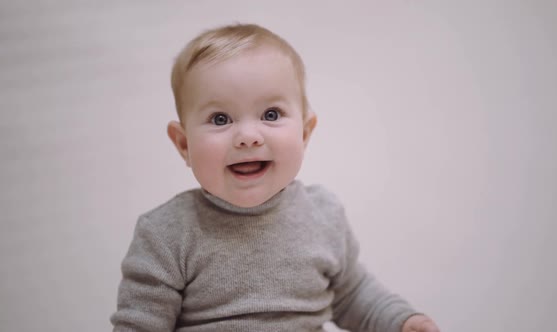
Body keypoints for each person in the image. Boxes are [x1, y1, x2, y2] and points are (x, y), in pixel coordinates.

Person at [111, 23, 440, 332]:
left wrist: (400, 320)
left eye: (271, 114)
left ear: (305, 133)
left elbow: (351, 294)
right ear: (184, 144)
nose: (248, 136)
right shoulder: (167, 235)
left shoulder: (323, 216)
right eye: (220, 118)